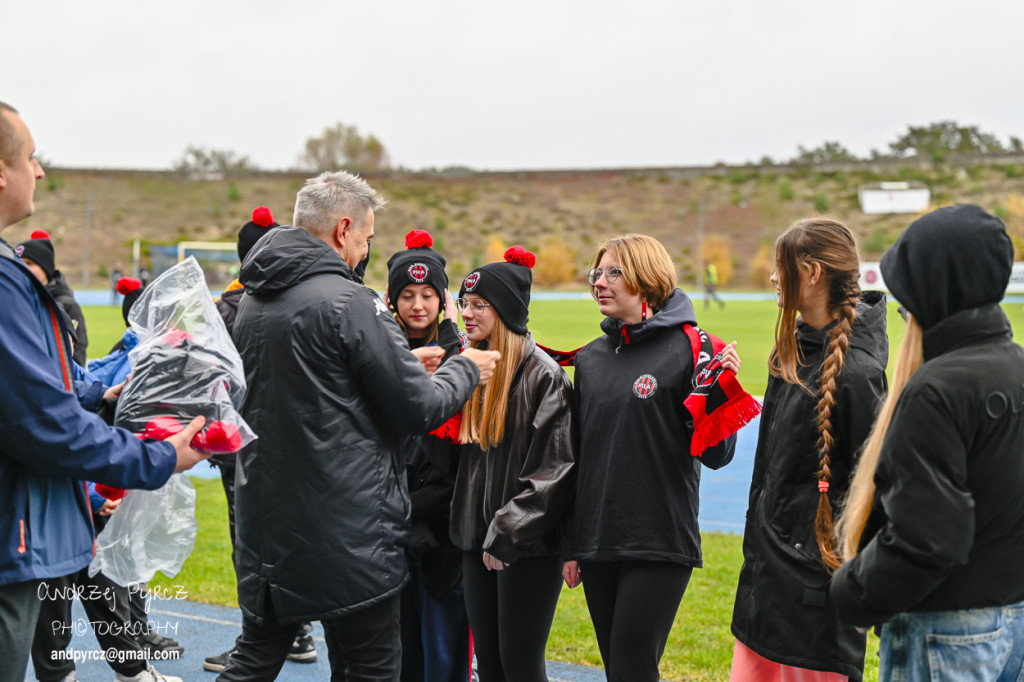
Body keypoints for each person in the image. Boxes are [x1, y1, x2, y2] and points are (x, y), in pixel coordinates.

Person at [217, 171, 499, 682]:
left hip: (269, 524)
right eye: (366, 239)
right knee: (370, 668)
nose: (365, 250)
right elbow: (417, 410)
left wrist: (401, 366)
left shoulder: (255, 299)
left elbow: (318, 392)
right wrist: (464, 370)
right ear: (343, 229)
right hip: (346, 532)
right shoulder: (351, 300)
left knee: (253, 660)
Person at [0, 101, 210, 682]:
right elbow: (44, 424)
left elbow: (40, 393)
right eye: (30, 157)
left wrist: (105, 397)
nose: (39, 170)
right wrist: (160, 457)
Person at [831, 204, 1024, 681]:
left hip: (944, 628)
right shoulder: (1015, 366)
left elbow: (930, 537)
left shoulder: (935, 390)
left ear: (935, 290)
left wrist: (850, 590)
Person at [561, 234, 750, 682]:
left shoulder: (695, 348)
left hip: (659, 538)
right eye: (597, 273)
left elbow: (718, 455)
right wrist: (571, 544)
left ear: (646, 278)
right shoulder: (590, 359)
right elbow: (579, 456)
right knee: (618, 668)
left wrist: (718, 390)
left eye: (613, 273)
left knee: (632, 665)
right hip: (598, 540)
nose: (599, 282)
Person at [730, 219, 888, 682]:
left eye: (780, 267)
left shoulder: (857, 374)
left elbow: (876, 495)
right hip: (763, 590)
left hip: (816, 606)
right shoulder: (791, 354)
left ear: (813, 272)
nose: (772, 277)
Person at [451, 246, 576, 681]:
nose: (467, 313)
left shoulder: (545, 377)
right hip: (476, 540)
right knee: (488, 661)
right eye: (464, 303)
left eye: (479, 305)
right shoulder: (472, 368)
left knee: (519, 664)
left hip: (525, 545)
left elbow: (554, 473)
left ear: (504, 309)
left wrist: (506, 532)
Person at [204, 205, 318, 673]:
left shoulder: (228, 308)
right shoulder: (301, 299)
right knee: (291, 540)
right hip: (295, 446)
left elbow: (210, 383)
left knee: (249, 549)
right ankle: (300, 631)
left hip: (241, 450)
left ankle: (263, 638)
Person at [386, 229, 472, 682]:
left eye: (427, 295)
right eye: (407, 295)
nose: (417, 305)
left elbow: (463, 461)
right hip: (391, 537)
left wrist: (409, 510)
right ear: (391, 299)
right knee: (397, 656)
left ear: (442, 299)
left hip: (445, 539)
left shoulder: (466, 359)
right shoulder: (378, 353)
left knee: (444, 657)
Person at [16, 230, 90, 364]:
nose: (23, 267)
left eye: (29, 263)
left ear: (45, 267)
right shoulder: (17, 299)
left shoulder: (67, 304)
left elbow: (78, 354)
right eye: (19, 262)